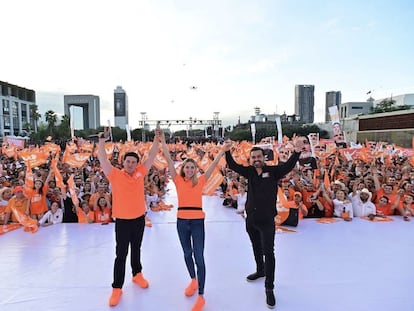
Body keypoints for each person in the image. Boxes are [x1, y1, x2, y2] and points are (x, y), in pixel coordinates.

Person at [223, 136, 303, 309]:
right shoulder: (250, 172)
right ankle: (260, 270)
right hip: (250, 219)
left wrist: (296, 152)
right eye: (253, 158)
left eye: (259, 157)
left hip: (267, 220)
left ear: (264, 158)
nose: (256, 160)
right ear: (250, 160)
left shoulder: (273, 172)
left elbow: (288, 166)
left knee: (269, 252)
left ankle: (269, 287)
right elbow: (233, 166)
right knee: (255, 246)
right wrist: (227, 151)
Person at [160, 130, 225, 311]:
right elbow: (167, 158)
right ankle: (193, 280)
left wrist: (221, 151)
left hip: (197, 222)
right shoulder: (178, 180)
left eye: (192, 167)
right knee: (187, 254)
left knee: (199, 257)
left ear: (196, 170)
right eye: (186, 167)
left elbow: (212, 166)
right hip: (182, 221)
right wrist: (164, 142)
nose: (189, 170)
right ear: (183, 169)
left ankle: (201, 295)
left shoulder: (201, 180)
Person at [98, 127, 161, 307]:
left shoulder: (141, 172)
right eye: (128, 161)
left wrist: (156, 140)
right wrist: (102, 142)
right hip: (123, 221)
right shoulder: (115, 175)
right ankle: (117, 287)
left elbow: (151, 157)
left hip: (139, 218)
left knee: (137, 248)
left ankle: (137, 274)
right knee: (121, 253)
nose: (131, 164)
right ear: (123, 162)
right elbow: (103, 159)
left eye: (134, 162)